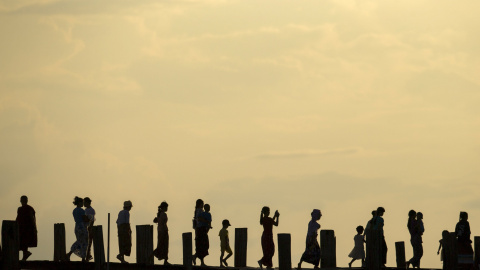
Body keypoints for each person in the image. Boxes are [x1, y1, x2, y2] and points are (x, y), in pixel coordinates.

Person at [65, 196, 88, 261]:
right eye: (82, 202)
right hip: (82, 226)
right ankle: (83, 257)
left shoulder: (74, 210)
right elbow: (85, 219)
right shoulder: (81, 210)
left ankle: (70, 253)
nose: (83, 204)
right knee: (84, 242)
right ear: (79, 203)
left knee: (79, 241)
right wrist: (89, 218)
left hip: (77, 226)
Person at [16, 195, 37, 261]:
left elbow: (32, 219)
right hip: (22, 228)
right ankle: (25, 254)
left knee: (24, 242)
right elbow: (18, 218)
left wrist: (34, 228)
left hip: (27, 229)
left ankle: (25, 254)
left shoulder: (29, 209)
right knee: (22, 243)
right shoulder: (21, 209)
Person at [193, 199, 210, 266]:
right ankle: (199, 260)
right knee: (203, 245)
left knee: (201, 245)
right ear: (200, 204)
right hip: (201, 229)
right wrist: (206, 221)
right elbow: (199, 218)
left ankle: (197, 258)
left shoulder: (197, 210)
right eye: (202, 203)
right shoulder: (199, 210)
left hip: (199, 229)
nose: (203, 205)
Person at [84, 197, 95, 262]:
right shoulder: (85, 210)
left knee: (88, 242)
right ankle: (88, 255)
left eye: (84, 202)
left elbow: (92, 220)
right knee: (86, 242)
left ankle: (88, 256)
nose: (84, 203)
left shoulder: (91, 210)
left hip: (89, 227)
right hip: (85, 227)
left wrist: (90, 227)